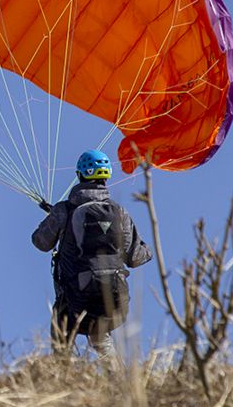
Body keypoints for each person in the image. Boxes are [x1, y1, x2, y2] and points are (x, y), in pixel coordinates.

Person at [32, 149, 151, 359]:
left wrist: (56, 220)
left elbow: (40, 242)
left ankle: (62, 381)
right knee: (100, 335)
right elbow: (135, 257)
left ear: (79, 175)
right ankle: (119, 382)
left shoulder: (64, 210)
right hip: (115, 297)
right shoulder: (120, 213)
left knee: (61, 330)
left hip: (76, 295)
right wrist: (147, 250)